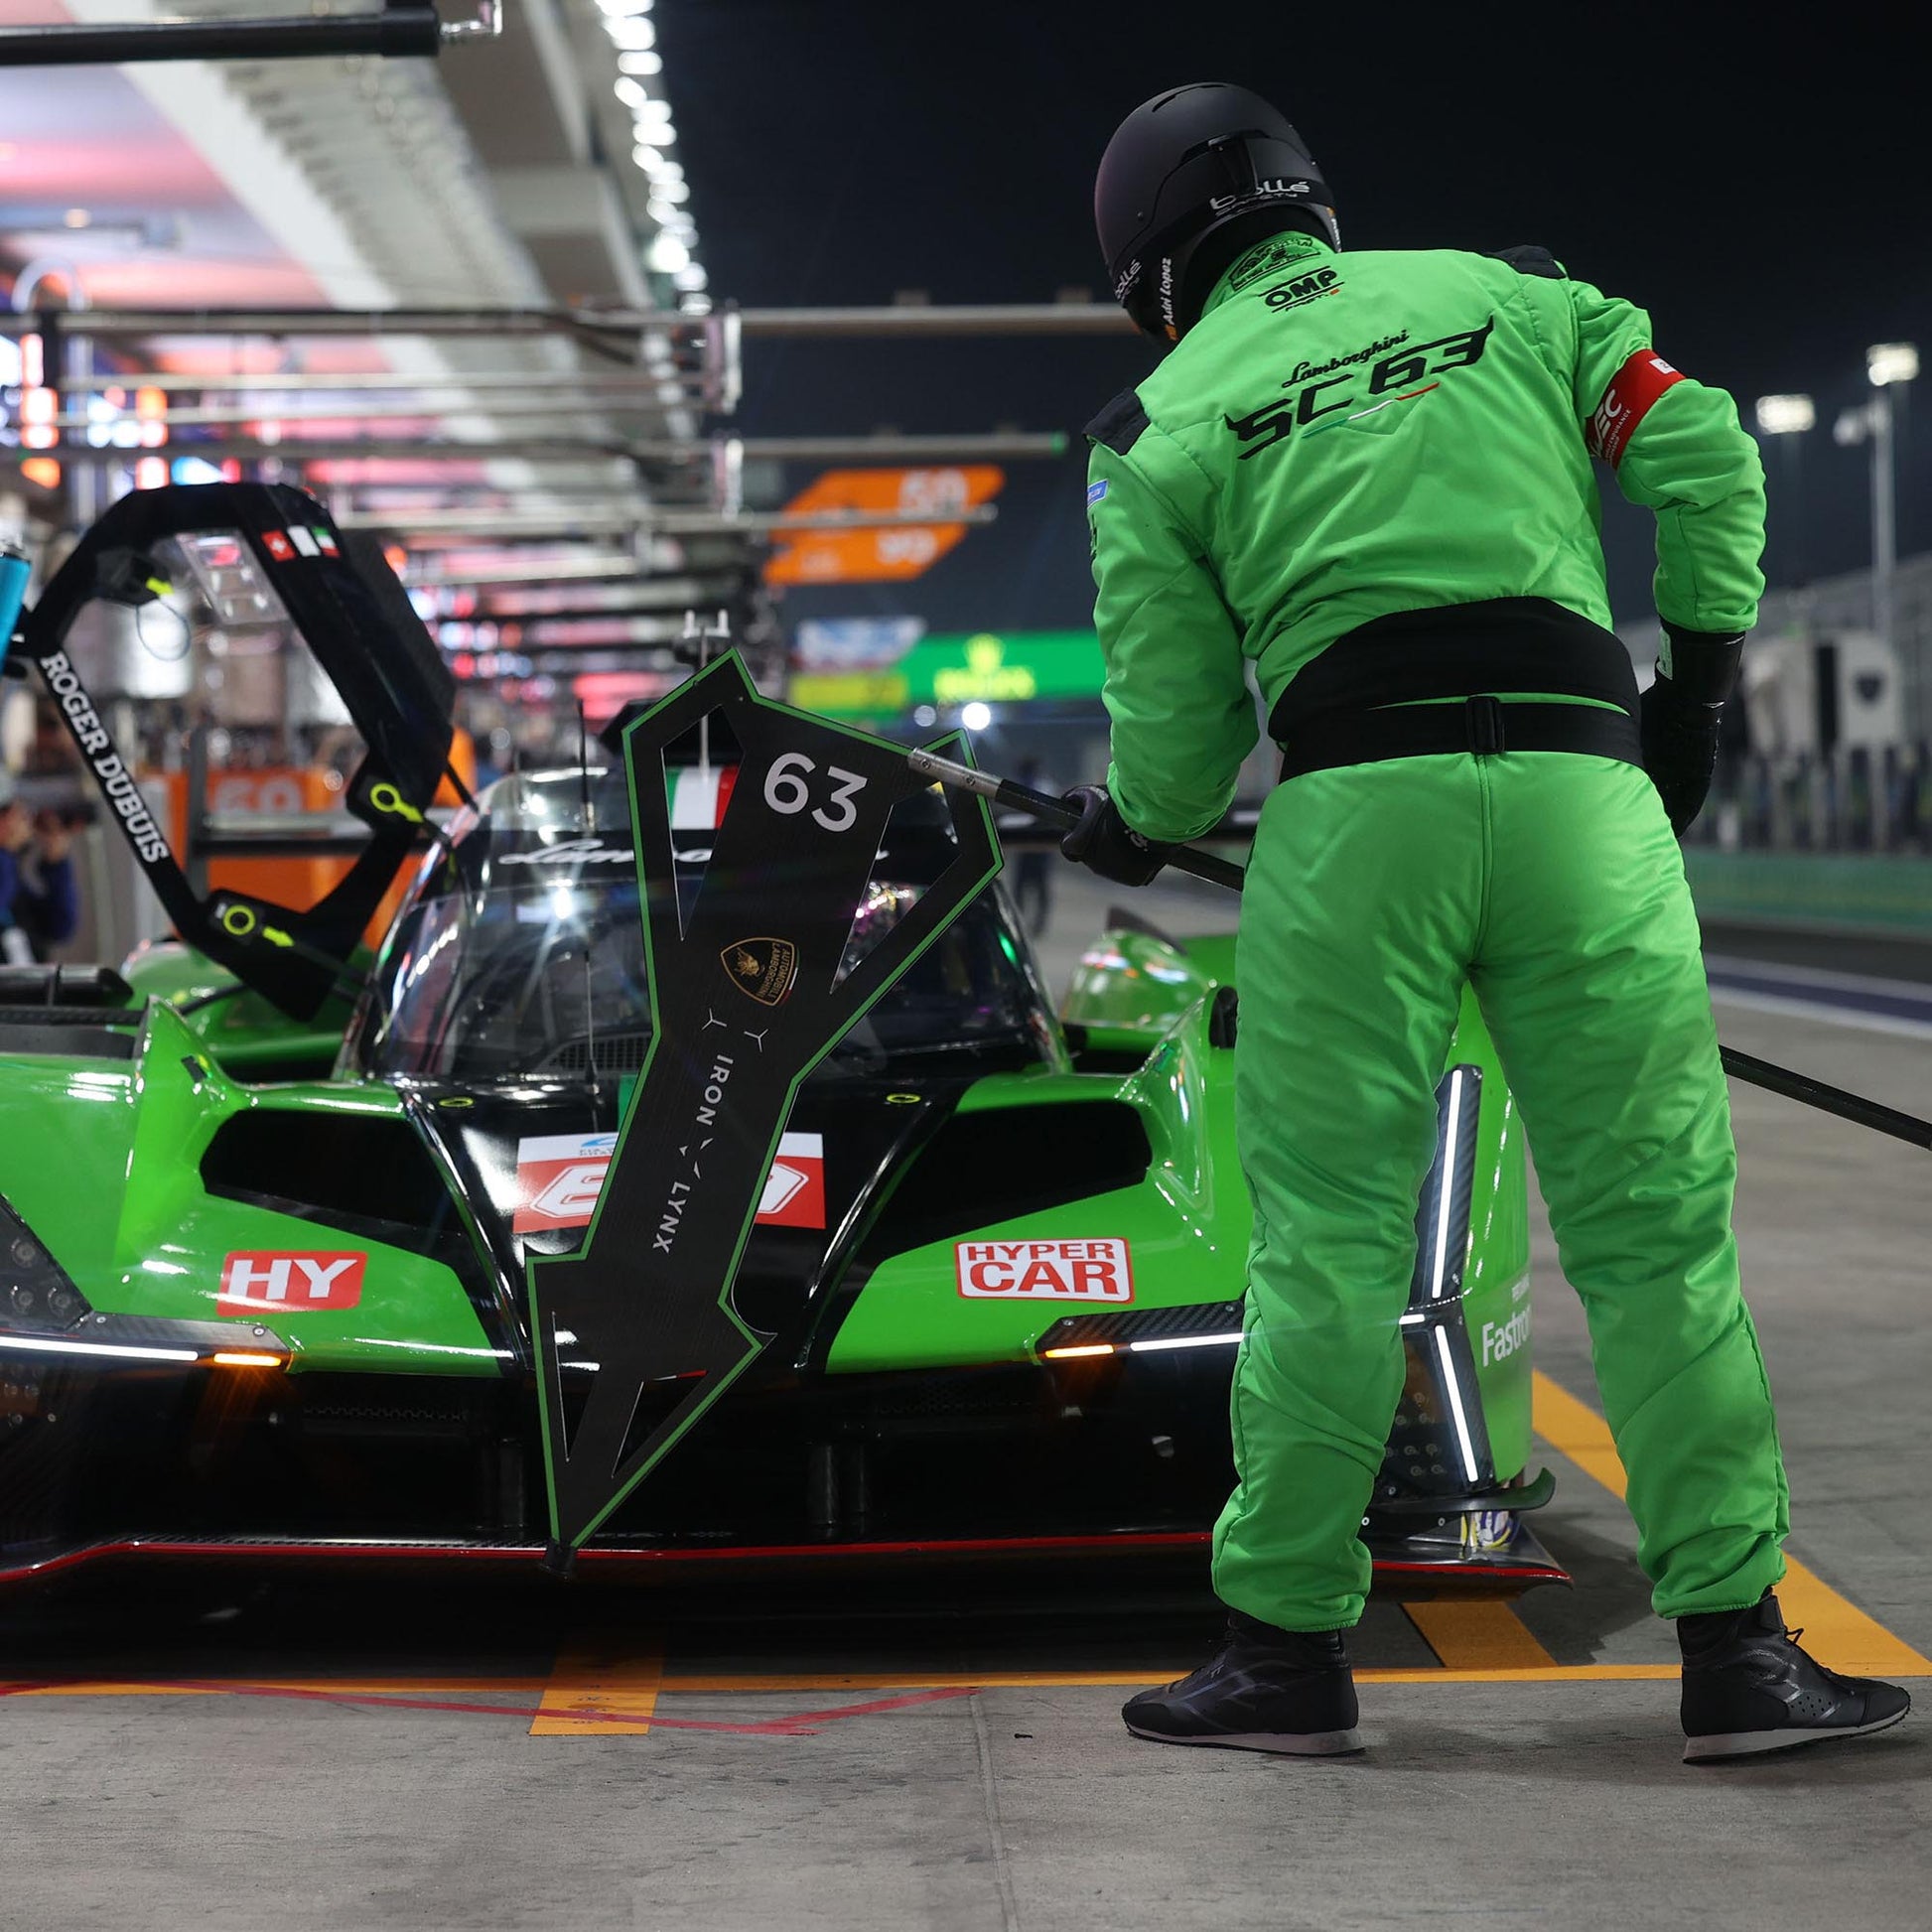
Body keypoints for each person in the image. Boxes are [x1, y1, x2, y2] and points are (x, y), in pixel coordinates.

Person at [1059, 81, 1910, 1763]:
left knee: (1326, 1247)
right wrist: (1695, 701)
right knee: (1656, 1236)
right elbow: (1708, 460)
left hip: (1353, 822)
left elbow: (1179, 749)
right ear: (1307, 200)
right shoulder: (1518, 297)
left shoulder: (1151, 427)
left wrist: (1136, 824)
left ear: (1152, 266)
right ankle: (1740, 1654)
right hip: (1583, 796)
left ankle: (1283, 1653)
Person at [0, 765, 78, 965]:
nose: (26, 822)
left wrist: (56, 865)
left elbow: (59, 927)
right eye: (17, 815)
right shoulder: (6, 870)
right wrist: (5, 852)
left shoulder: (13, 878)